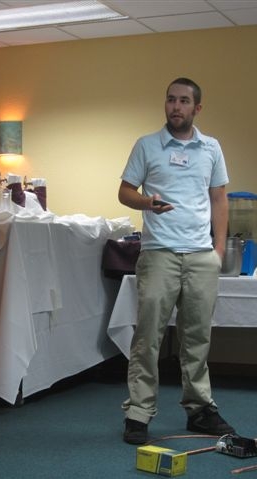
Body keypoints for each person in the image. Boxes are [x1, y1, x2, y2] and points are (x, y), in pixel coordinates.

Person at [118, 77, 236, 445]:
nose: (176, 107)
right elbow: (125, 192)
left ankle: (199, 409)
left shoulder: (211, 148)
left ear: (197, 108)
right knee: (147, 336)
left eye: (184, 101)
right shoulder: (147, 145)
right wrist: (146, 203)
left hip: (201, 255)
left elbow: (219, 199)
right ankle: (139, 413)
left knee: (197, 337)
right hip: (159, 254)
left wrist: (217, 251)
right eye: (171, 100)